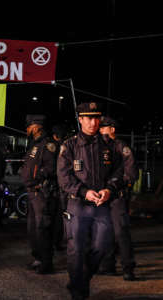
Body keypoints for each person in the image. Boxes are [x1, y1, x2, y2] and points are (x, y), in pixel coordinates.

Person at [57, 103, 124, 300]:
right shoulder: (69, 146)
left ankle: (81, 279)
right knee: (76, 250)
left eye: (97, 118)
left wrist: (109, 189)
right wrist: (83, 192)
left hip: (102, 205)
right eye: (88, 118)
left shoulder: (108, 145)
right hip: (78, 205)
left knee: (102, 246)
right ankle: (79, 292)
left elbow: (119, 171)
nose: (93, 122)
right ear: (80, 119)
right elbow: (63, 177)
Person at [98, 116, 139, 281]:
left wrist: (116, 186)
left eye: (103, 127)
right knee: (104, 232)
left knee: (121, 232)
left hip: (117, 197)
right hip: (102, 197)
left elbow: (131, 174)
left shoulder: (122, 147)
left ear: (112, 129)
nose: (100, 129)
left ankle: (128, 268)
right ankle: (108, 266)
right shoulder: (99, 147)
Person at [20, 115, 59, 274]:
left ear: (36, 126)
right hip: (31, 192)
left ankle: (47, 262)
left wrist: (37, 178)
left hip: (41, 193)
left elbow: (51, 168)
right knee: (33, 229)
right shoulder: (34, 145)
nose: (27, 129)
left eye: (29, 126)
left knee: (43, 228)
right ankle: (38, 258)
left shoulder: (48, 145)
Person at [51, 124, 69, 251]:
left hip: (54, 187)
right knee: (62, 216)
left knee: (56, 216)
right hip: (64, 187)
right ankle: (58, 241)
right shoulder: (67, 147)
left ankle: (55, 241)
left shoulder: (51, 148)